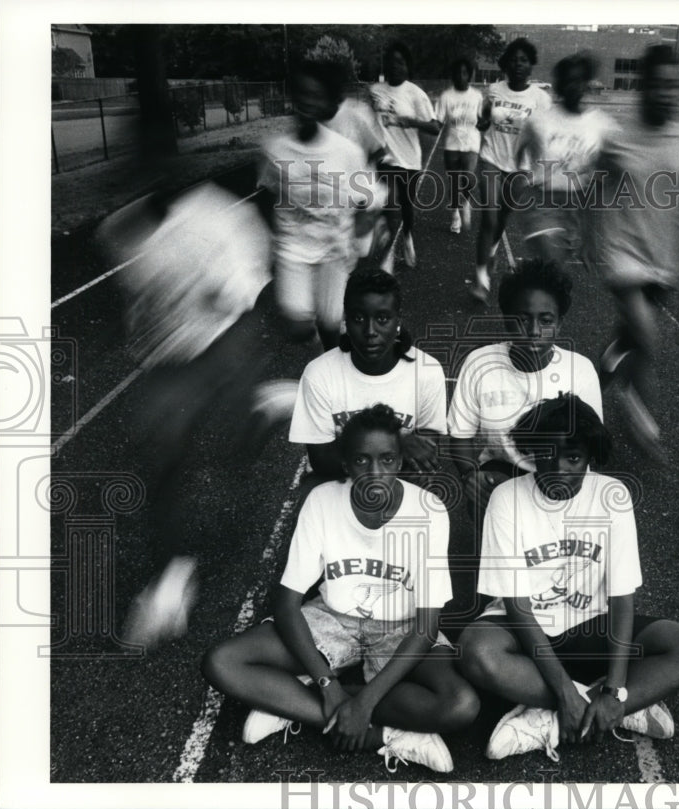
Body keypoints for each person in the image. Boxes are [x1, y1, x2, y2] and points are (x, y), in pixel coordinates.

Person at [201, 404, 480, 773]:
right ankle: (387, 734)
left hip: (402, 627)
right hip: (333, 617)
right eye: (362, 460)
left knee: (460, 704)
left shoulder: (428, 510)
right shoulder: (322, 500)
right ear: (346, 465)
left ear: (399, 462)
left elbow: (427, 626)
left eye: (386, 459)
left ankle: (290, 701)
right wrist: (328, 685)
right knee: (222, 662)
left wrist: (363, 703)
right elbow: (287, 604)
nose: (375, 472)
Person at [458, 394, 679, 761]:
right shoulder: (505, 499)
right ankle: (592, 708)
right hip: (526, 630)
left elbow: (622, 598)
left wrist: (615, 691)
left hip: (591, 626)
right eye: (547, 454)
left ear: (590, 456)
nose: (558, 468)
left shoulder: (612, 495)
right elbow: (516, 606)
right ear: (532, 452)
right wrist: (566, 693)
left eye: (573, 457)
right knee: (474, 651)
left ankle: (556, 716)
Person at [95, 181, 273, 649]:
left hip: (222, 346)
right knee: (163, 465)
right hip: (167, 361)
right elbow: (129, 302)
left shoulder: (219, 216)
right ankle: (172, 582)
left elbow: (243, 297)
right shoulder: (118, 229)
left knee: (230, 455)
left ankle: (265, 409)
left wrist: (210, 288)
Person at [593, 45, 679, 460]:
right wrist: (587, 236)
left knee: (625, 341)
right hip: (622, 256)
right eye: (659, 85)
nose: (668, 93)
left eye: (675, 86)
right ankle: (641, 421)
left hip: (666, 262)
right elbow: (594, 189)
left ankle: (592, 383)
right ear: (642, 87)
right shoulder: (617, 141)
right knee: (648, 341)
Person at [448, 259, 603, 544]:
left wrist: (539, 492)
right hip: (499, 475)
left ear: (559, 323)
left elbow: (588, 448)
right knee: (493, 504)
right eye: (522, 319)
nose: (533, 330)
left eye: (545, 320)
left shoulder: (580, 371)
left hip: (559, 477)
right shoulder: (479, 364)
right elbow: (460, 434)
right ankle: (497, 565)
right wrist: (470, 475)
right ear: (506, 318)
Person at [258, 60, 384, 351]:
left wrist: (362, 233)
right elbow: (267, 192)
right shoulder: (274, 148)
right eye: (301, 93)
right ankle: (318, 356)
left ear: (328, 102)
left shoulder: (347, 153)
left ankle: (332, 367)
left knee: (330, 324)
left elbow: (369, 199)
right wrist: (274, 236)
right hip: (293, 248)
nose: (306, 101)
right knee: (297, 325)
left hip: (333, 249)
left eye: (315, 95)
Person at [289, 268, 446, 483]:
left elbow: (423, 455)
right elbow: (322, 460)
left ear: (398, 321)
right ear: (346, 320)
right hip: (337, 487)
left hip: (396, 489)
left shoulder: (428, 372)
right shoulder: (319, 374)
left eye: (382, 318)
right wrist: (398, 445)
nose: (370, 331)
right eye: (358, 318)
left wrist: (355, 455)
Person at [470, 38, 552, 302]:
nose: (518, 64)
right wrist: (482, 120)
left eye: (524, 60)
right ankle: (481, 279)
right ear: (506, 64)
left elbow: (543, 136)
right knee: (490, 219)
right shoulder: (493, 90)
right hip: (491, 158)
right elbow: (482, 123)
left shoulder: (540, 98)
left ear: (531, 65)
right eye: (514, 59)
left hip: (520, 166)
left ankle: (492, 250)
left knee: (503, 217)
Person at [516, 53, 613, 267]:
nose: (574, 86)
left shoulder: (600, 126)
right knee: (555, 265)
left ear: (586, 83)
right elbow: (520, 152)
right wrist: (522, 178)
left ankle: (527, 286)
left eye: (579, 80)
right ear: (559, 84)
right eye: (568, 80)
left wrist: (590, 238)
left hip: (575, 208)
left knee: (552, 278)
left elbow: (596, 185)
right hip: (540, 202)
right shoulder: (539, 121)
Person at [369, 41, 441, 271]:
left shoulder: (415, 94)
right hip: (385, 158)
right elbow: (369, 121)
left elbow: (435, 127)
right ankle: (388, 256)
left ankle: (407, 237)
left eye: (400, 62)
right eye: (391, 61)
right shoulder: (375, 91)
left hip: (409, 159)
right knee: (389, 205)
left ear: (407, 66)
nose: (395, 66)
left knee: (406, 205)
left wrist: (409, 121)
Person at [435, 57, 484, 235]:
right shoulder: (446, 97)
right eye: (458, 72)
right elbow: (438, 121)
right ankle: (455, 214)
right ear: (453, 75)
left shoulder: (477, 96)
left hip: (472, 141)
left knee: (469, 179)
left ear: (469, 75)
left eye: (465, 72)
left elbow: (481, 120)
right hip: (452, 143)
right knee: (454, 183)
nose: (461, 76)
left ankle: (466, 202)